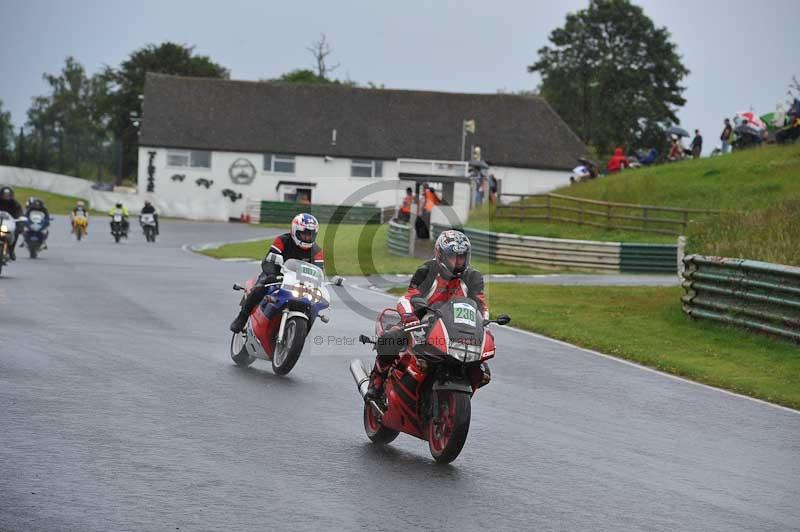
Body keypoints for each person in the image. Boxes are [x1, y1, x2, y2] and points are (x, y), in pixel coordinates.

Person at [365, 230, 491, 400]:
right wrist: (409, 316)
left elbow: (481, 306)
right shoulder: (427, 270)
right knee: (391, 338)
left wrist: (484, 324)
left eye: (462, 257)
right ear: (440, 254)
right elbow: (407, 297)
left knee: (483, 371)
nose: (458, 262)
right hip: (422, 323)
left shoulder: (473, 277)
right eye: (454, 256)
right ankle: (377, 380)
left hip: (455, 330)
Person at [230, 213, 324, 333]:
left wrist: (319, 284)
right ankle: (242, 317)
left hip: (300, 283)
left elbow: (319, 270)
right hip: (276, 274)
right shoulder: (282, 240)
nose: (307, 237)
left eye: (310, 235)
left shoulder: (317, 251)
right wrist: (273, 274)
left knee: (313, 304)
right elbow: (269, 260)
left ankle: (299, 332)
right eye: (304, 234)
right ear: (295, 230)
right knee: (260, 287)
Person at [0, 186, 23, 260]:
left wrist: (19, 219)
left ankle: (11, 250)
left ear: (11, 195)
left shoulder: (15, 203)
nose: (6, 196)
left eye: (8, 195)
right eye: (4, 194)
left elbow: (19, 212)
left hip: (9, 222)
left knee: (16, 232)